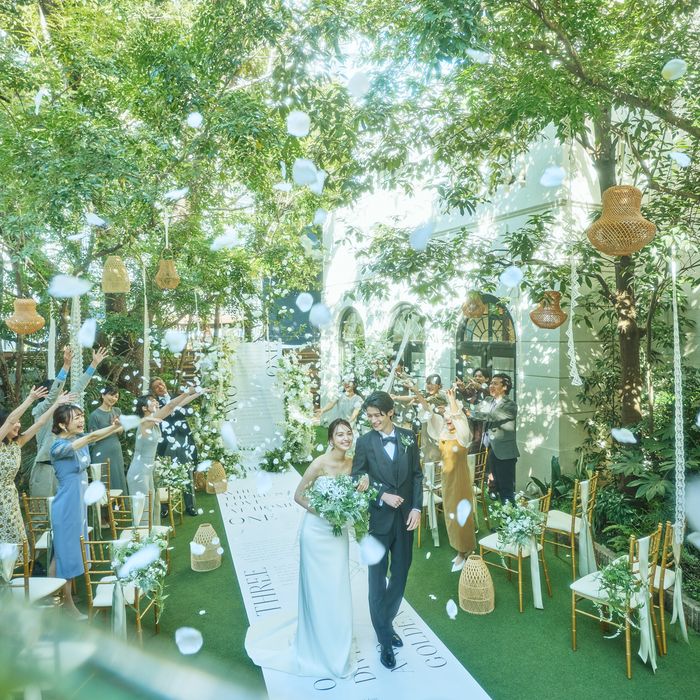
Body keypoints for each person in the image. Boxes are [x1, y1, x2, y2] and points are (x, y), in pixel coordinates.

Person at [245, 419, 368, 678]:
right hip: (315, 533)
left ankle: (337, 641)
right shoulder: (319, 463)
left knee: (337, 586)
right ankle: (314, 642)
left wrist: (364, 481)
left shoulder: (354, 463)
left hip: (338, 534)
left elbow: (363, 483)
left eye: (348, 433)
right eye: (340, 434)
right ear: (331, 439)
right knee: (316, 588)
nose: (345, 438)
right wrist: (324, 513)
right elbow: (298, 495)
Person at [351, 391, 422, 670]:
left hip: (406, 520)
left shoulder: (408, 437)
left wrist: (416, 508)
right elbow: (357, 476)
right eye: (369, 416)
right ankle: (384, 638)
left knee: (401, 572)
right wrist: (381, 495)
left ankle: (385, 621)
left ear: (390, 412)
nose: (373, 420)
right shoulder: (365, 442)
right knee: (377, 579)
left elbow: (416, 475)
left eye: (377, 415)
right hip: (378, 521)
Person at [50, 403, 123, 618]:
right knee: (66, 553)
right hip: (66, 506)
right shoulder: (57, 447)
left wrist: (114, 427)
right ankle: (67, 604)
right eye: (76, 417)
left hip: (78, 504)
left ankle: (54, 596)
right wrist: (111, 428)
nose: (82, 420)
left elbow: (95, 436)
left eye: (82, 416)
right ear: (62, 424)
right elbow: (92, 436)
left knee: (62, 552)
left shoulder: (78, 439)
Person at [0, 387, 74, 563]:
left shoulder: (17, 443)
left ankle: (12, 571)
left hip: (9, 496)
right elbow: (10, 420)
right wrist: (30, 399)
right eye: (15, 423)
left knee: (16, 535)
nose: (18, 425)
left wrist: (56, 404)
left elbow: (40, 423)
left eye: (20, 422)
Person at [30, 346, 109, 498]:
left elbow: (78, 388)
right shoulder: (40, 410)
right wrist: (66, 365)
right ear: (46, 395)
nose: (63, 394)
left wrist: (94, 364)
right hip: (45, 468)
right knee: (43, 510)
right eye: (59, 392)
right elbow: (53, 395)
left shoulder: (63, 409)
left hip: (65, 468)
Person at [412, 385, 476, 571]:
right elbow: (429, 411)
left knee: (461, 516)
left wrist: (452, 400)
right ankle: (461, 549)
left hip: (460, 481)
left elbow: (458, 417)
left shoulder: (463, 436)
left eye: (451, 418)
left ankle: (464, 551)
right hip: (447, 480)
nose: (448, 420)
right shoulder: (442, 432)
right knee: (450, 516)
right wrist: (416, 392)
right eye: (445, 418)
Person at [127, 388, 203, 526]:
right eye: (152, 401)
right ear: (144, 408)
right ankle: (143, 537)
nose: (156, 402)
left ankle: (153, 536)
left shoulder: (154, 420)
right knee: (144, 511)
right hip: (139, 472)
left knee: (153, 505)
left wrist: (198, 393)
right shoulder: (146, 422)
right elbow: (170, 405)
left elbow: (175, 405)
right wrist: (187, 391)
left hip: (147, 471)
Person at [467, 373, 519, 504]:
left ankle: (510, 514)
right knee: (495, 485)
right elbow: (475, 409)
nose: (491, 386)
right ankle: (502, 513)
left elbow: (491, 416)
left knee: (506, 489)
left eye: (495, 383)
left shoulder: (510, 405)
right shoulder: (488, 400)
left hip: (505, 454)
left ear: (505, 387)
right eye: (491, 383)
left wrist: (470, 413)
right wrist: (461, 408)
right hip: (491, 450)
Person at [151, 377, 199, 516]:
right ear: (154, 391)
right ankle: (164, 507)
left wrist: (180, 410)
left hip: (183, 438)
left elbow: (189, 411)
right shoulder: (154, 404)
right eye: (156, 386)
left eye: (161, 383)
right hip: (165, 442)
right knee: (165, 473)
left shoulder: (177, 396)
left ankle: (190, 506)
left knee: (186, 471)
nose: (160, 387)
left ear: (164, 384)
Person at [88, 385, 126, 494]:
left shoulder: (117, 411)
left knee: (118, 477)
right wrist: (113, 428)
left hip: (116, 451)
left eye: (116, 396)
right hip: (101, 451)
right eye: (111, 395)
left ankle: (119, 503)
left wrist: (117, 427)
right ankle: (104, 504)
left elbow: (122, 431)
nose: (113, 398)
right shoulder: (94, 415)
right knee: (103, 479)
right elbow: (93, 437)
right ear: (103, 395)